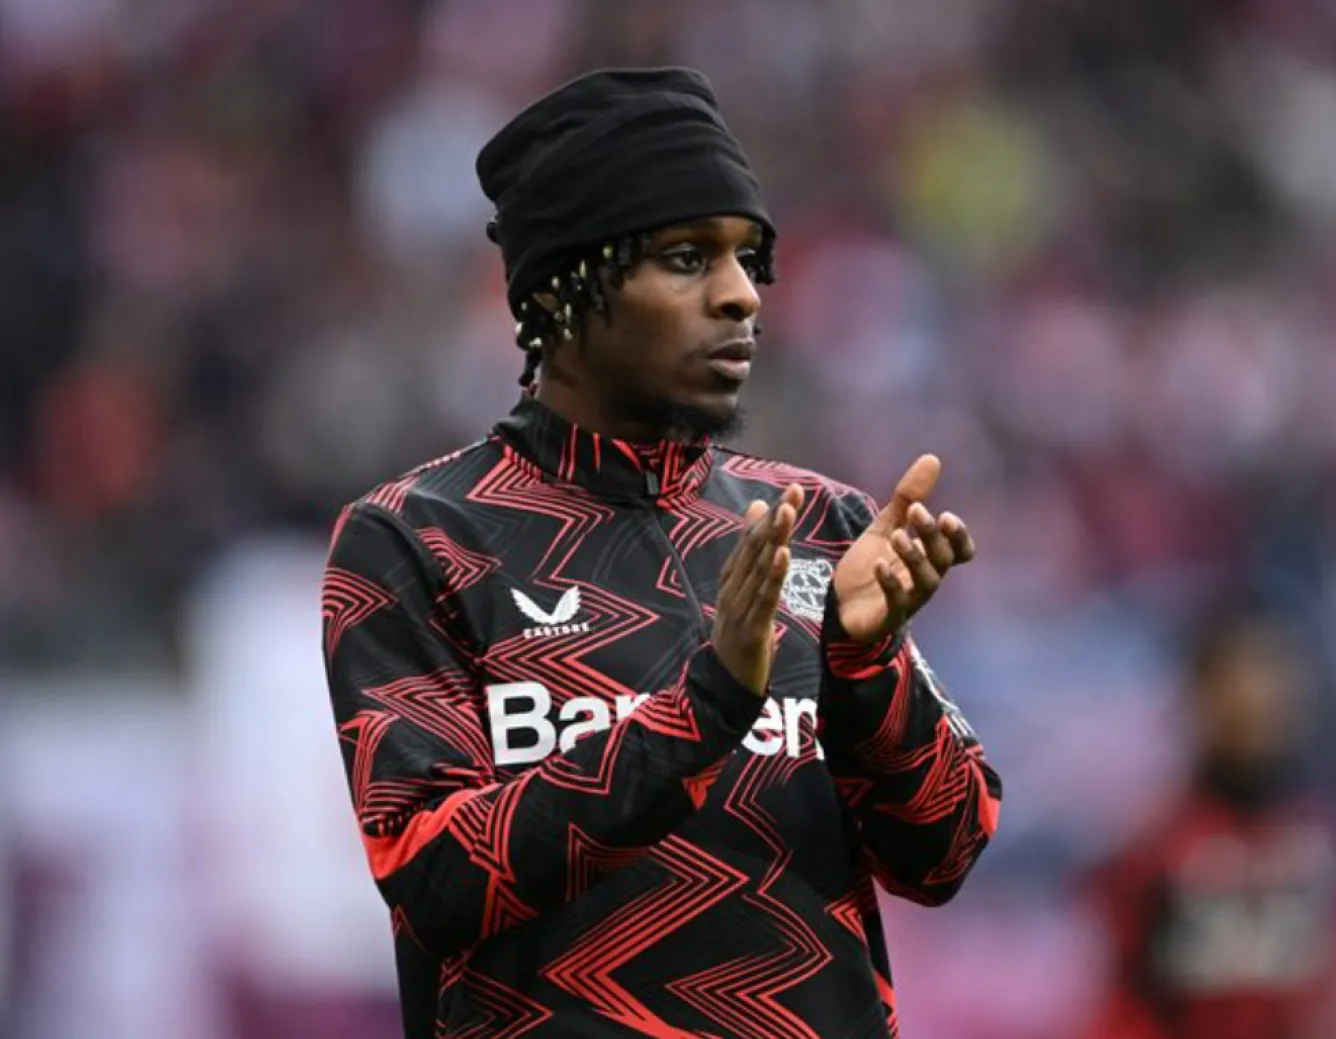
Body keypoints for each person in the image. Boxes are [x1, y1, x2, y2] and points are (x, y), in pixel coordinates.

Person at [322, 67, 1003, 1039]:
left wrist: (866, 666)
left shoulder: (821, 526)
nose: (739, 298)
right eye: (687, 258)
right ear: (565, 289)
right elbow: (434, 876)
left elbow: (948, 853)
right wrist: (709, 704)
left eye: (746, 259)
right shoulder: (416, 540)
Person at [1085, 604, 1336, 1039]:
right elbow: (1119, 1006)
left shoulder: (1332, 846)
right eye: (1240, 694)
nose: (1261, 710)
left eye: (1276, 692)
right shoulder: (1152, 854)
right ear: (1200, 699)